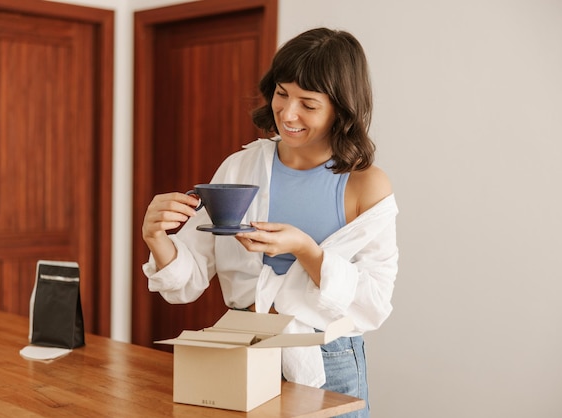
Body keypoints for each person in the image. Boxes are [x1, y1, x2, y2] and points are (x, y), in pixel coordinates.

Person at [141, 27, 398, 417]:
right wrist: (155, 236)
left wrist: (304, 249)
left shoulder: (365, 184)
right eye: (281, 94)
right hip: (244, 346)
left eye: (308, 104)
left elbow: (374, 302)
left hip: (327, 355)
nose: (287, 114)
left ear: (340, 109)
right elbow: (186, 281)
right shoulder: (240, 167)